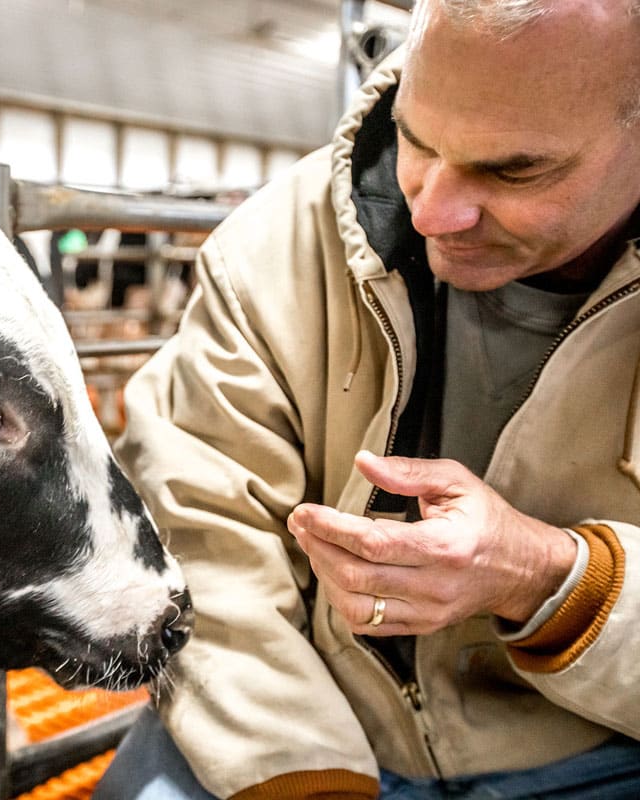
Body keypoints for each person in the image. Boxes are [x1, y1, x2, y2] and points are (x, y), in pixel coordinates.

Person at [94, 0, 640, 798]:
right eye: (416, 141)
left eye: (515, 169)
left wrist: (555, 581)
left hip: (604, 744)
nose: (430, 212)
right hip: (298, 710)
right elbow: (204, 534)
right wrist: (297, 776)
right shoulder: (273, 244)